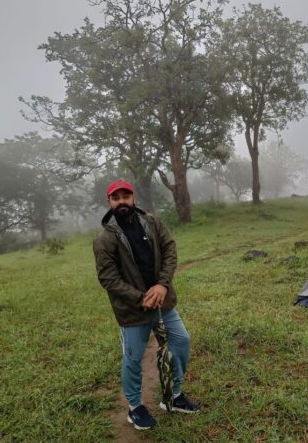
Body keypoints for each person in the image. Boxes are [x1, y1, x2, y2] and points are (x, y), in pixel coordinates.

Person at [93, 179, 199, 431]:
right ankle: (135, 407)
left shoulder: (152, 222)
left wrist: (162, 285)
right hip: (133, 311)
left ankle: (174, 395)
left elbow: (169, 249)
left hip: (164, 302)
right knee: (133, 357)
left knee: (181, 341)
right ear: (109, 202)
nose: (121, 201)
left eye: (125, 196)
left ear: (133, 198)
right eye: (115, 197)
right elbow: (108, 278)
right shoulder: (105, 239)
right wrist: (141, 298)